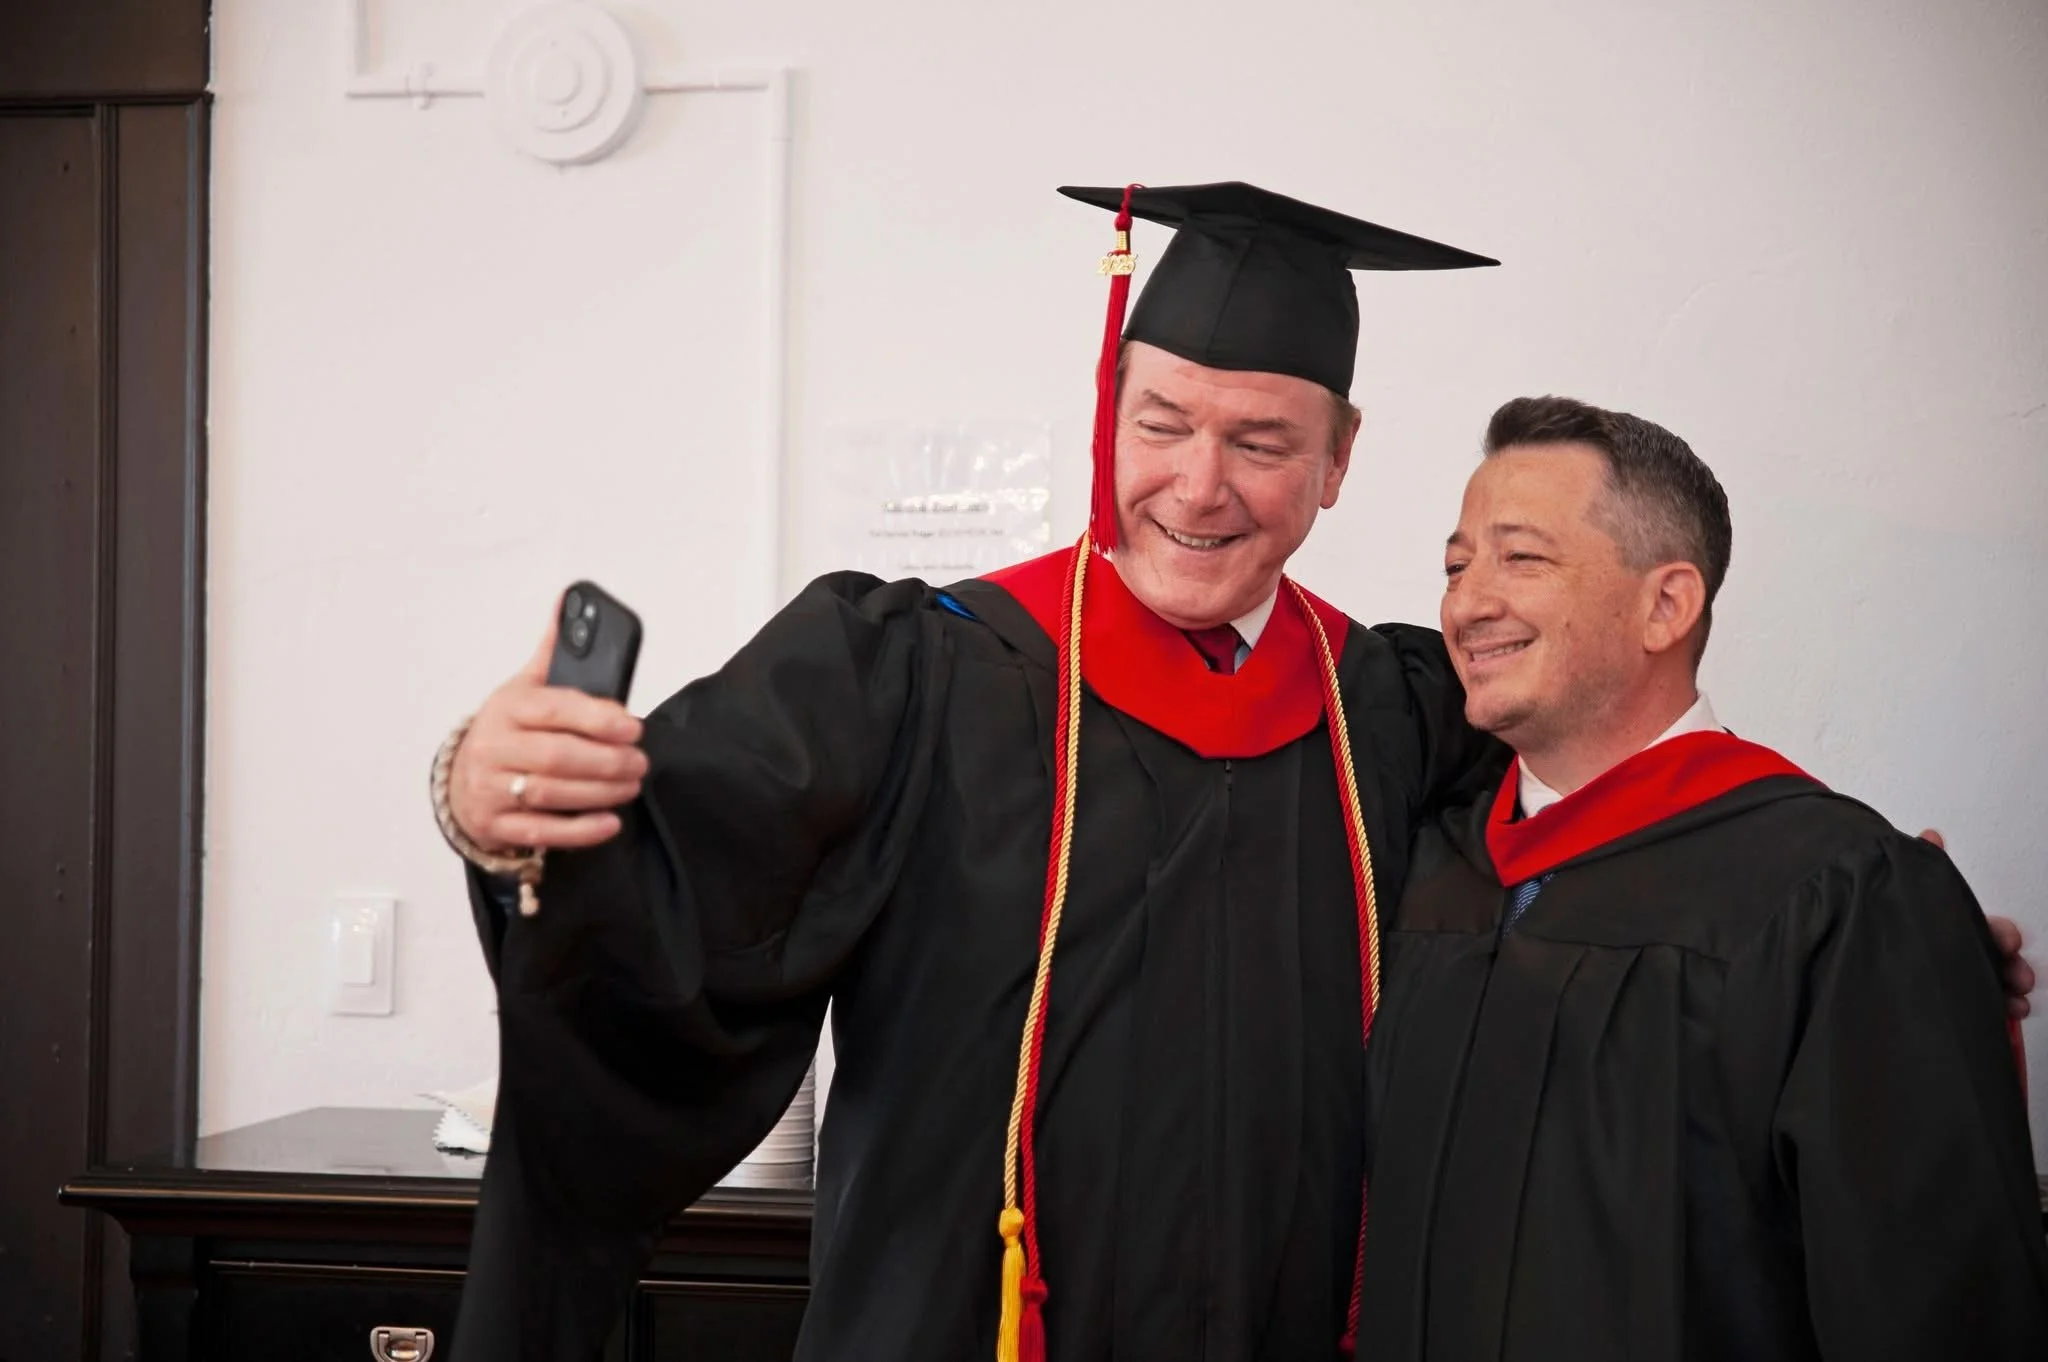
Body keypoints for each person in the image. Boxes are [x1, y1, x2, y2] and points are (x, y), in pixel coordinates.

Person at [431, 181, 1512, 1362]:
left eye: (1259, 444)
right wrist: (489, 796)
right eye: (1158, 425)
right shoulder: (915, 672)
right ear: (1106, 410)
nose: (1198, 487)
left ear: (1336, 461)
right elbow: (668, 876)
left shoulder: (1389, 715)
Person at [1355, 396, 2048, 1361]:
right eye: (1457, 564)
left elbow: (1936, 1312)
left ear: (1667, 605)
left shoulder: (1836, 894)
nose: (1467, 603)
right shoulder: (1428, 867)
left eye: (1522, 558)